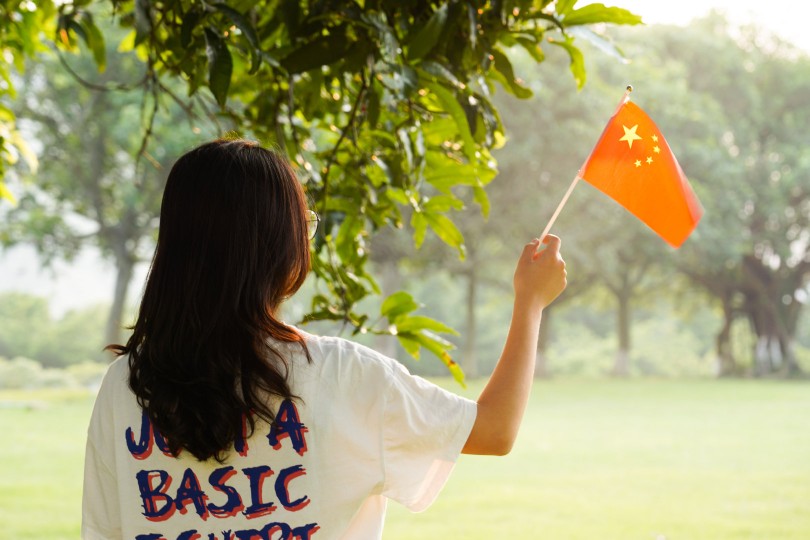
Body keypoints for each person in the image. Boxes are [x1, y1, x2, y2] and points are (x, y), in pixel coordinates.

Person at [82, 139, 567, 540]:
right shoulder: (344, 375)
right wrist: (529, 304)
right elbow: (495, 430)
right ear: (280, 246)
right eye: (304, 225)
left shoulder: (125, 385)